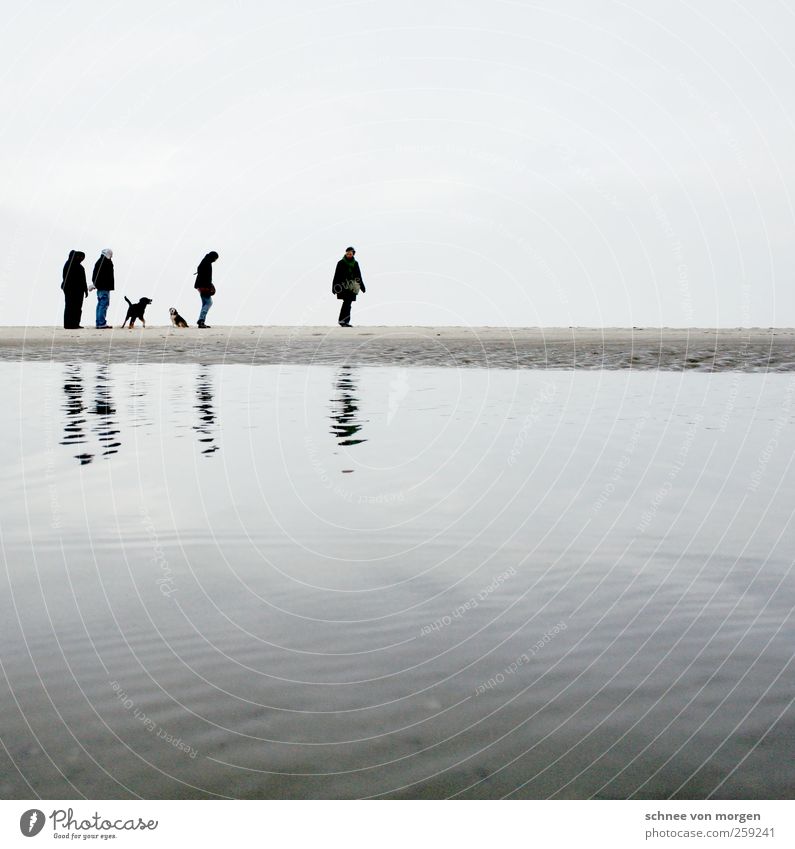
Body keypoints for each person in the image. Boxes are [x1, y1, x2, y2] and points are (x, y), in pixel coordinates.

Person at [331, 246, 366, 327]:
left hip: (352, 287)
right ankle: (343, 321)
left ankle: (344, 321)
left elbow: (358, 275)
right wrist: (334, 287)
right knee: (346, 303)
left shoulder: (355, 263)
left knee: (348, 303)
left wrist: (362, 286)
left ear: (353, 254)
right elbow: (336, 275)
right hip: (343, 286)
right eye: (347, 253)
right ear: (345, 253)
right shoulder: (341, 263)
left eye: (350, 253)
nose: (349, 255)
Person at [61, 250, 87, 329]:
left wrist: (85, 290)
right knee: (72, 307)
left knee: (72, 307)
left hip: (73, 290)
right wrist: (85, 290)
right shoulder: (76, 266)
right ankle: (72, 324)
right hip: (74, 290)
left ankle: (72, 324)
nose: (82, 259)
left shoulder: (69, 264)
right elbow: (82, 280)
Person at [90, 248, 114, 329]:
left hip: (101, 287)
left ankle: (99, 322)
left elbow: (95, 275)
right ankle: (101, 323)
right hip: (104, 287)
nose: (111, 256)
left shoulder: (100, 261)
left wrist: (95, 284)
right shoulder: (105, 262)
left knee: (100, 304)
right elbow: (102, 276)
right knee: (103, 304)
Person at [194, 251, 219, 328]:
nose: (215, 260)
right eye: (215, 258)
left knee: (205, 303)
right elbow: (206, 276)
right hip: (203, 286)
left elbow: (200, 270)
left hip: (201, 285)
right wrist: (209, 285)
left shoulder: (206, 260)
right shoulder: (207, 262)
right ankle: (201, 321)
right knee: (208, 303)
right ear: (213, 257)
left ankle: (201, 321)